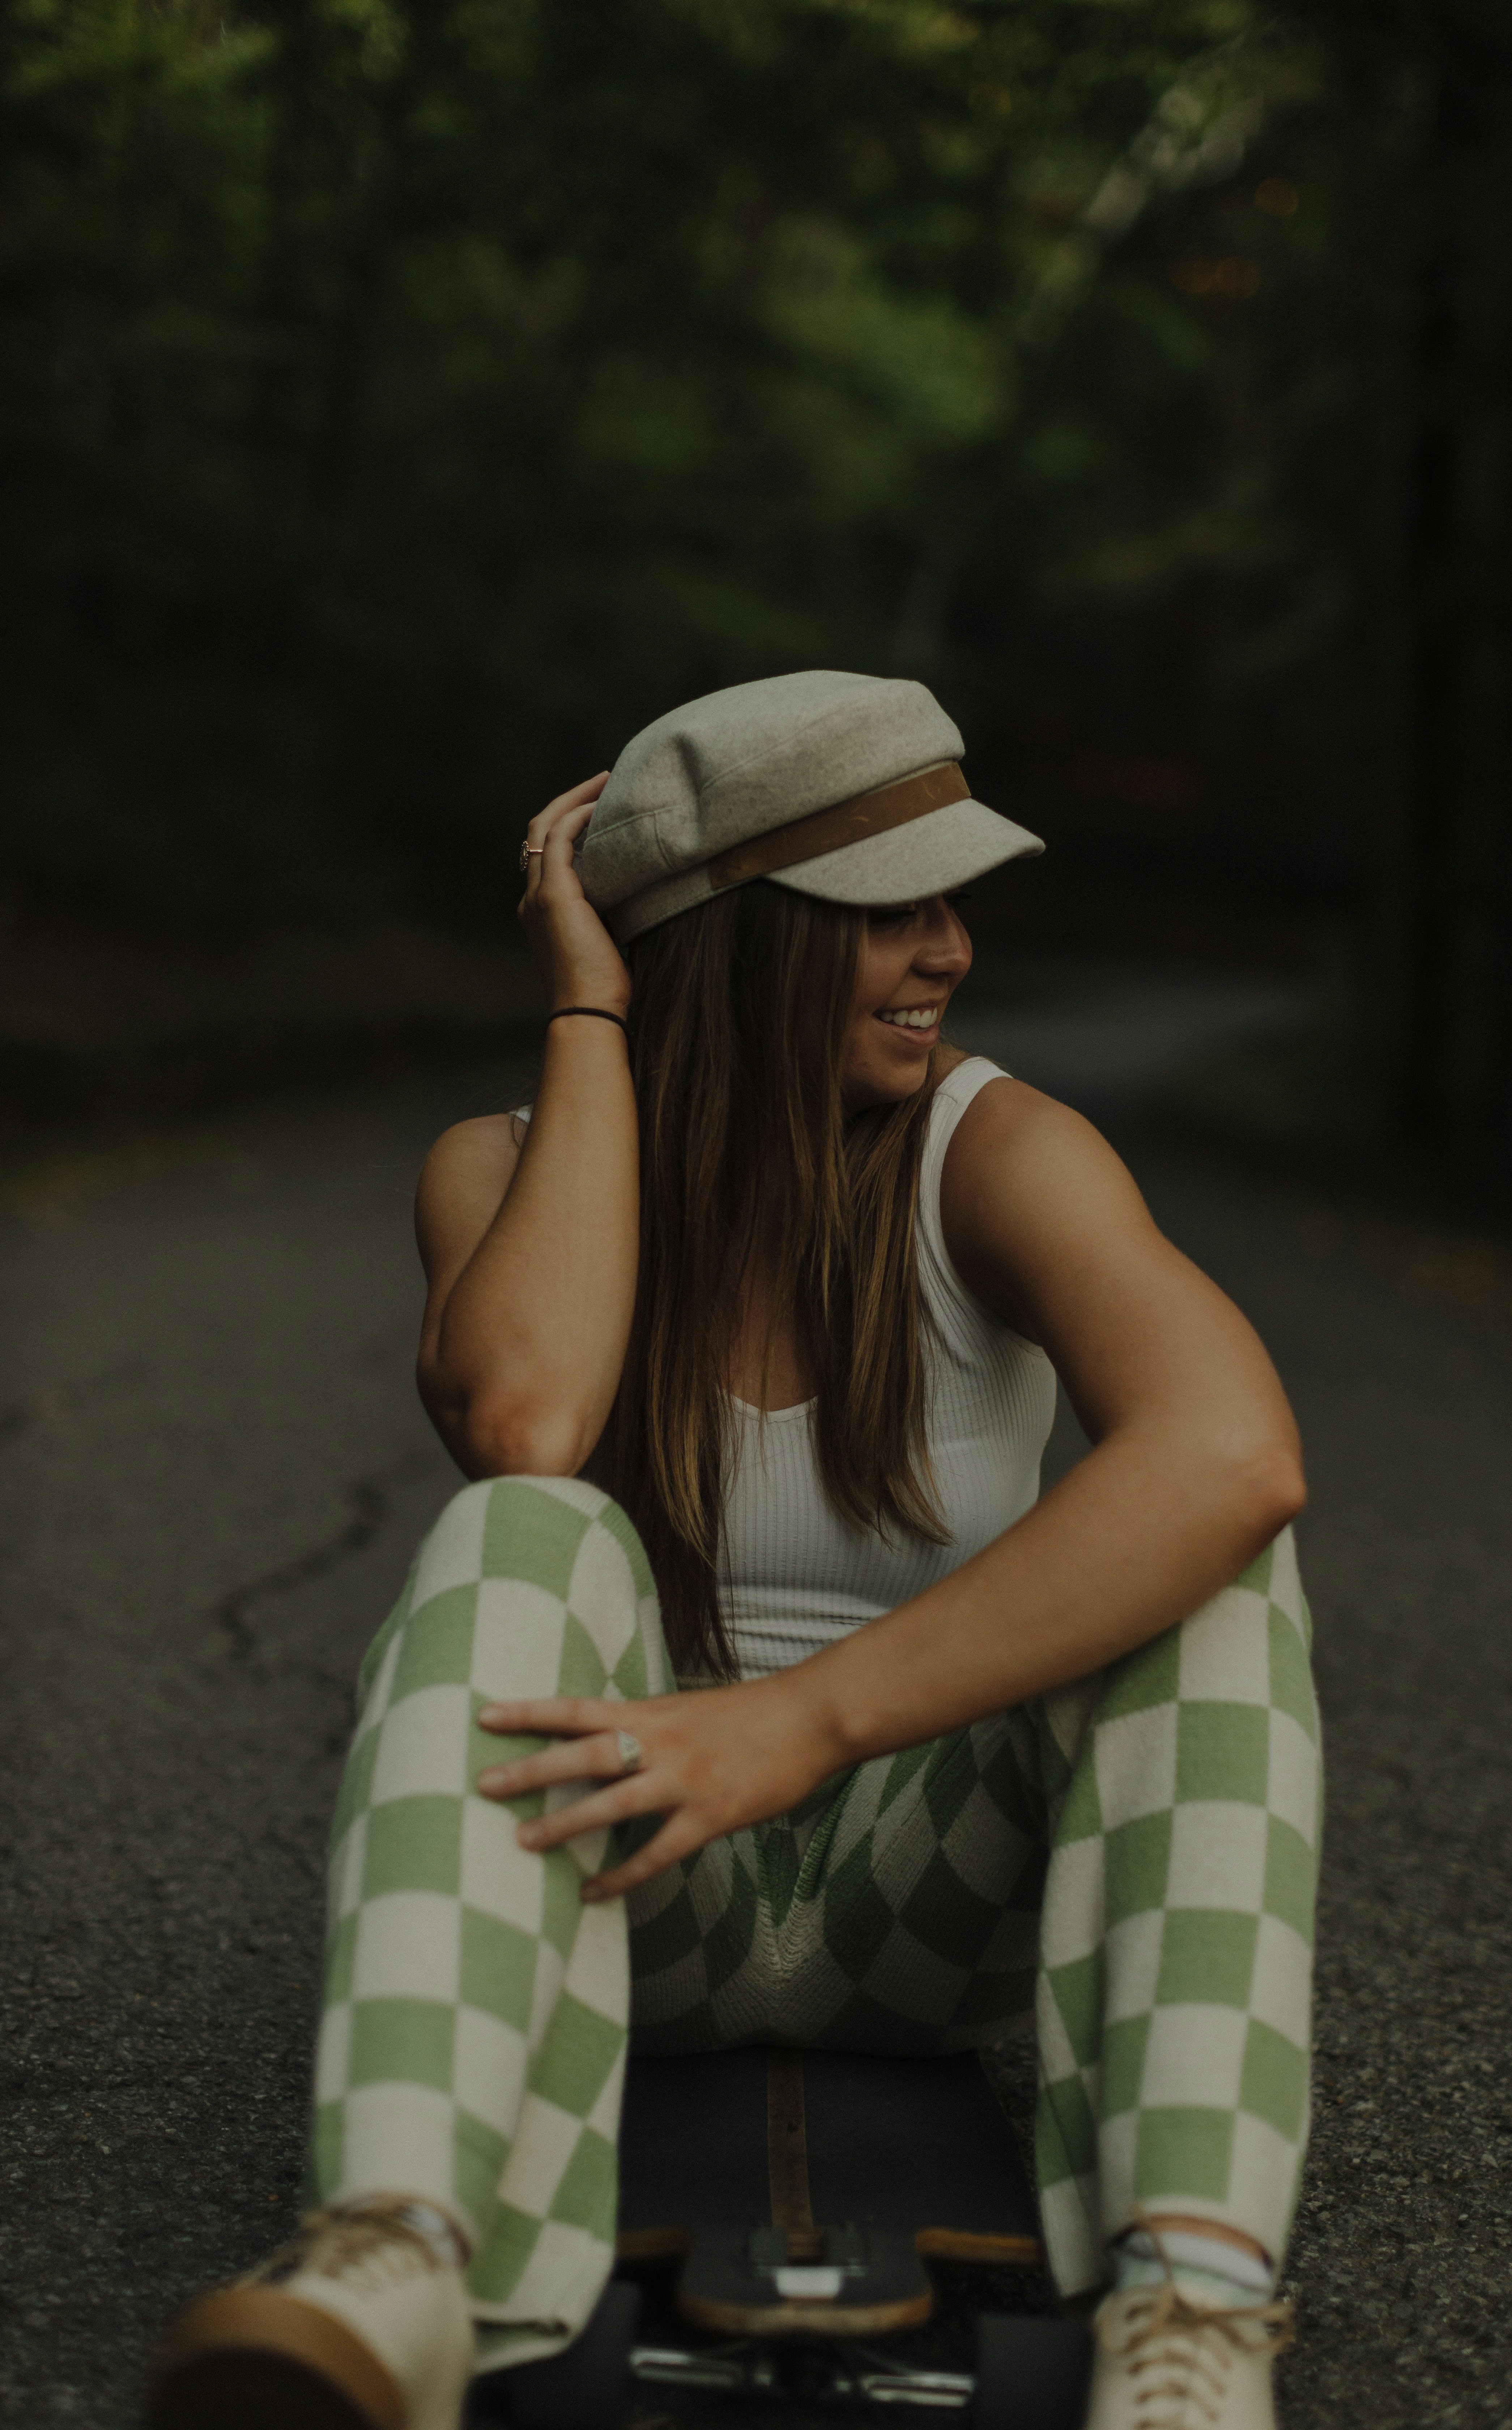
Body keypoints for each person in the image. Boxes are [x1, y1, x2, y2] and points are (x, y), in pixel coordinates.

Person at [148, 671, 1319, 2430]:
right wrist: (589, 1011)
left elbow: (1235, 1451)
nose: (951, 953)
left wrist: (807, 1722)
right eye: (890, 911)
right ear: (735, 937)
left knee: (1211, 1564)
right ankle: (393, 2251)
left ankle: (1193, 2317)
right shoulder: (496, 1168)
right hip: (631, 1885)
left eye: (954, 906)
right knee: (519, 1529)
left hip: (940, 1895)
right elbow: (528, 1427)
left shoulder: (992, 1151)